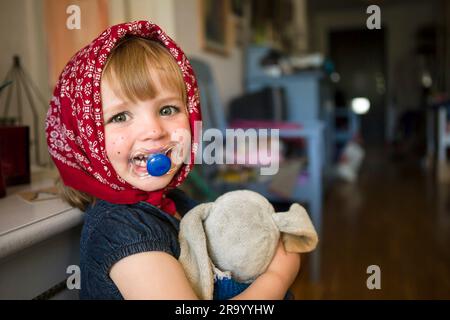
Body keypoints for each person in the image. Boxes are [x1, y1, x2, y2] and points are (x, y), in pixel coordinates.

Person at [46, 21, 300, 300]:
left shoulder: (174, 201)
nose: (154, 130)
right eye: (120, 117)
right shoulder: (124, 232)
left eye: (168, 109)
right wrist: (278, 275)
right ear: (84, 140)